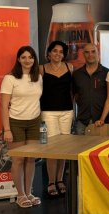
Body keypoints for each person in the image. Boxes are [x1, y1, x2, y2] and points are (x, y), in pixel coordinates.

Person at [0, 46, 42, 207]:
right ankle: (20, 195)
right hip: (15, 122)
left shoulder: (38, 77)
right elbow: (4, 106)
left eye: (30, 57)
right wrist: (7, 129)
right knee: (18, 159)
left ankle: (29, 192)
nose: (27, 60)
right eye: (23, 57)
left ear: (34, 59)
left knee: (30, 159)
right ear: (18, 59)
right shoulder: (10, 79)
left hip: (34, 121)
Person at [40, 40, 74, 197]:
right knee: (52, 148)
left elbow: (73, 91)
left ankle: (60, 180)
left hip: (67, 112)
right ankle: (51, 182)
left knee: (64, 148)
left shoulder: (70, 67)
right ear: (49, 53)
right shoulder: (42, 69)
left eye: (61, 52)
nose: (58, 54)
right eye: (55, 51)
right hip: (48, 112)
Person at [72, 43, 109, 135]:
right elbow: (74, 96)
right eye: (87, 52)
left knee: (103, 149)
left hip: (103, 121)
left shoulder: (108, 73)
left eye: (93, 52)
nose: (90, 55)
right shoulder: (76, 74)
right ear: (83, 55)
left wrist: (102, 118)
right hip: (82, 121)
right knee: (80, 148)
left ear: (98, 54)